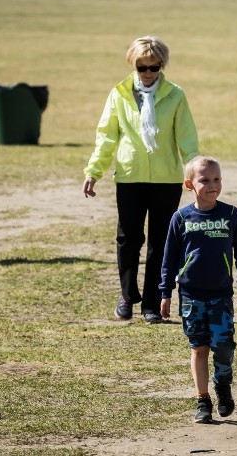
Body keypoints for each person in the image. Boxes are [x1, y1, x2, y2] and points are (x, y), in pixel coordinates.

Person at [83, 35, 200, 324]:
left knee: (161, 242)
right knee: (128, 238)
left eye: (154, 67)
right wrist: (93, 171)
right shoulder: (119, 94)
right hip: (130, 176)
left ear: (163, 65)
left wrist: (195, 173)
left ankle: (151, 303)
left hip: (166, 180)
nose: (148, 73)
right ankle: (126, 296)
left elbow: (186, 138)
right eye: (141, 66)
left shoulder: (175, 95)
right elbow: (107, 136)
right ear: (132, 64)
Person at [159, 155, 237, 424]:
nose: (213, 185)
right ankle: (203, 400)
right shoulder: (181, 218)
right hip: (190, 295)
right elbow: (168, 258)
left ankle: (223, 386)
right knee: (198, 348)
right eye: (205, 180)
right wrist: (165, 292)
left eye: (217, 179)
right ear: (189, 184)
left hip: (221, 295)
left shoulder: (231, 215)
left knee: (223, 347)